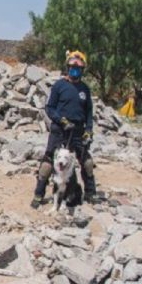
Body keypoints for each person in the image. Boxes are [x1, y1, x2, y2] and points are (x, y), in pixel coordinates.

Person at [31, 50, 97, 208]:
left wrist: (88, 130)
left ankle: (90, 193)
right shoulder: (59, 86)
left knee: (87, 162)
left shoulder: (84, 89)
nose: (75, 70)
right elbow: (50, 108)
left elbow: (89, 112)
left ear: (82, 70)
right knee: (47, 163)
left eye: (78, 68)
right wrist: (61, 120)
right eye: (72, 67)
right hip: (60, 130)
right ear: (67, 68)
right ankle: (39, 195)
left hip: (78, 131)